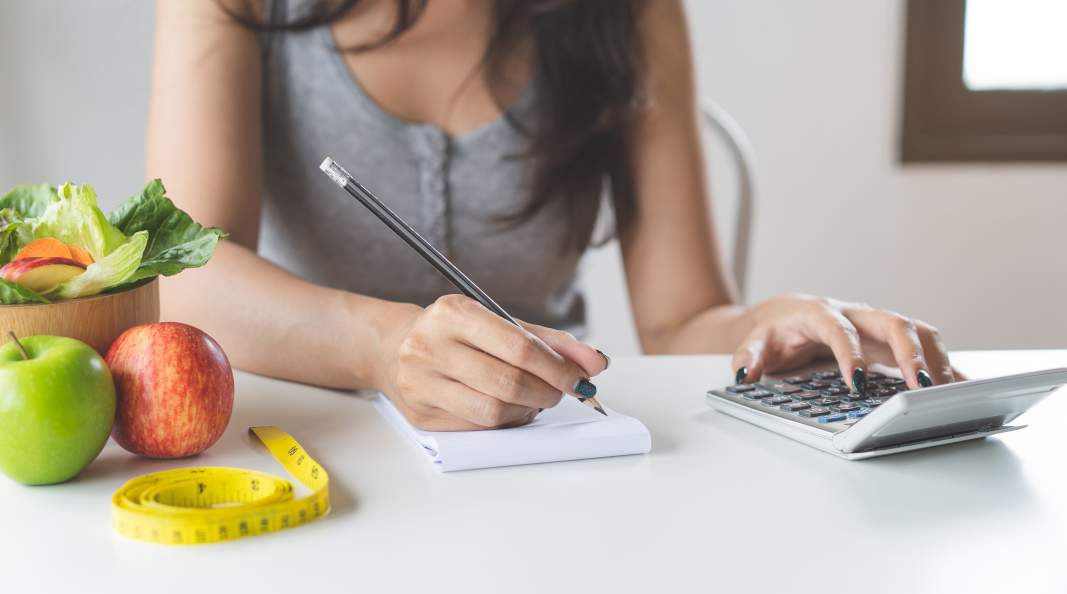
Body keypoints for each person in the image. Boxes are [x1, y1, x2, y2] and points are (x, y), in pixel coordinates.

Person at [148, 0, 960, 431]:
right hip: (318, 449)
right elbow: (185, 272)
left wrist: (766, 329)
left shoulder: (628, 12)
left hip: (549, 447)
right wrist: (383, 346)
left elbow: (681, 322)